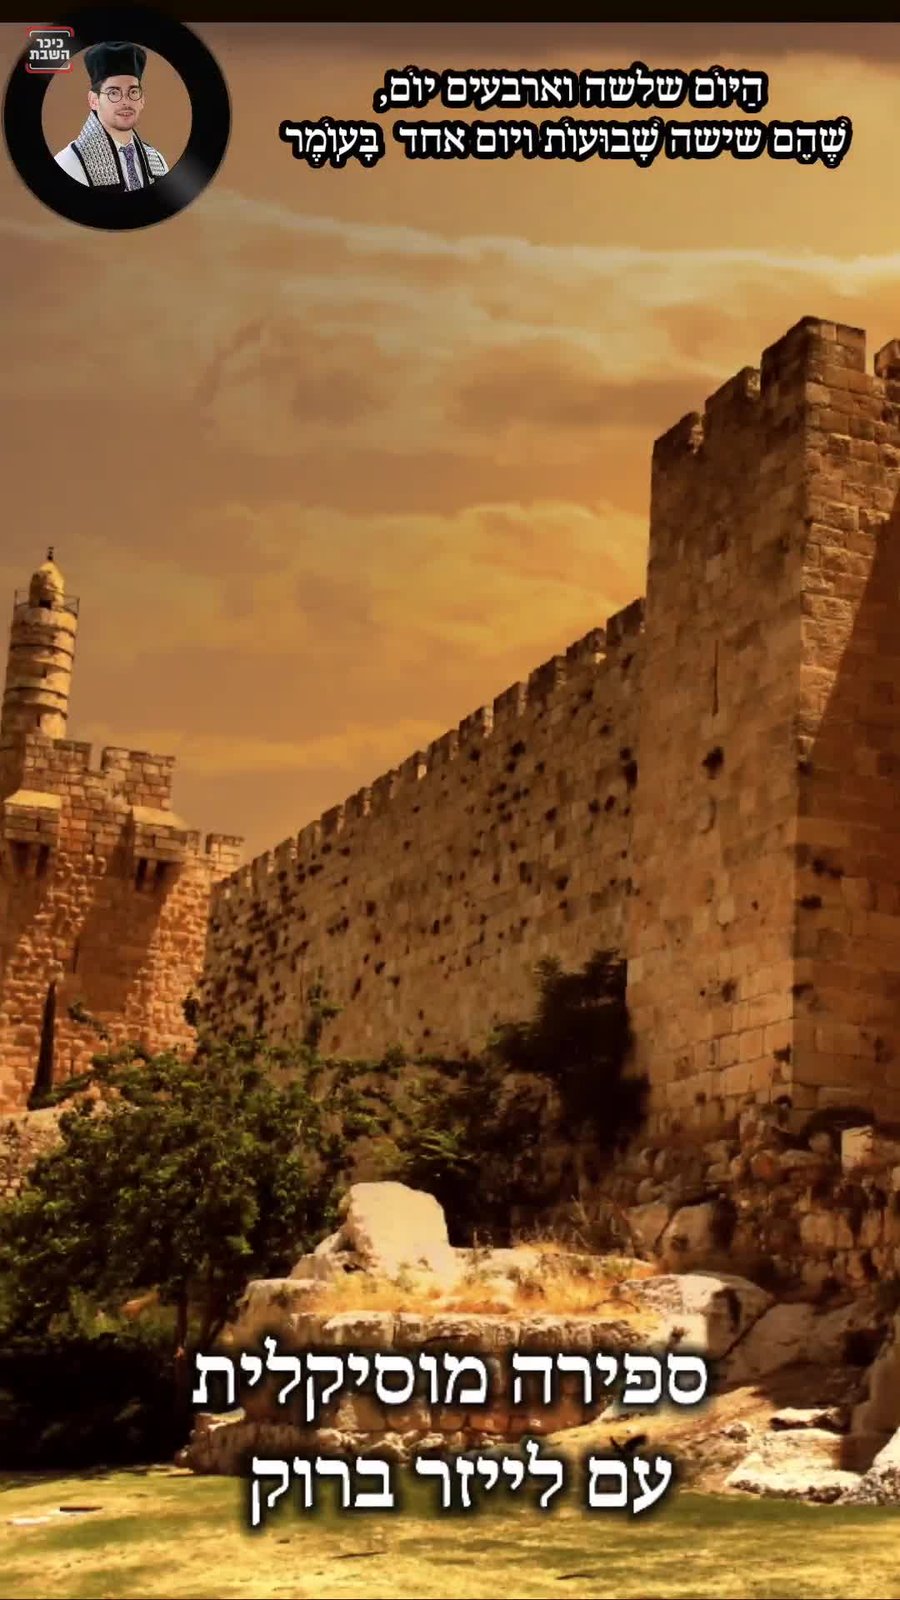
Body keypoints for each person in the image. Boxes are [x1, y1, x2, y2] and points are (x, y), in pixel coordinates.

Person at [53, 41, 168, 189]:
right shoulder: (69, 163)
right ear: (94, 100)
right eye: (114, 93)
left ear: (142, 100)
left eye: (133, 92)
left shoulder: (157, 161)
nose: (125, 101)